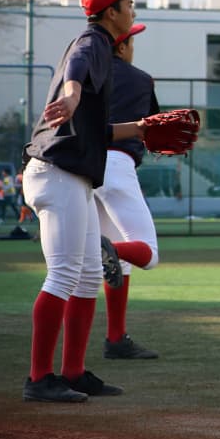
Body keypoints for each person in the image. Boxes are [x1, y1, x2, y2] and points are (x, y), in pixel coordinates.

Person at [21, 0, 155, 402]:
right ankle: (39, 379)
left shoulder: (101, 50)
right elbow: (76, 70)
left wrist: (144, 129)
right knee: (63, 274)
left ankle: (73, 372)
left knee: (85, 277)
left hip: (73, 173)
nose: (133, 9)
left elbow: (98, 131)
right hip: (56, 172)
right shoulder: (93, 41)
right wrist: (74, 94)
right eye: (128, 3)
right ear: (111, 12)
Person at [93, 22, 163, 360]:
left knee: (118, 260)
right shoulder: (140, 78)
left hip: (79, 165)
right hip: (117, 165)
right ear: (121, 47)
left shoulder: (84, 75)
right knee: (147, 251)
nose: (133, 46)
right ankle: (94, 247)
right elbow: (156, 131)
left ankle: (116, 339)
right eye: (131, 40)